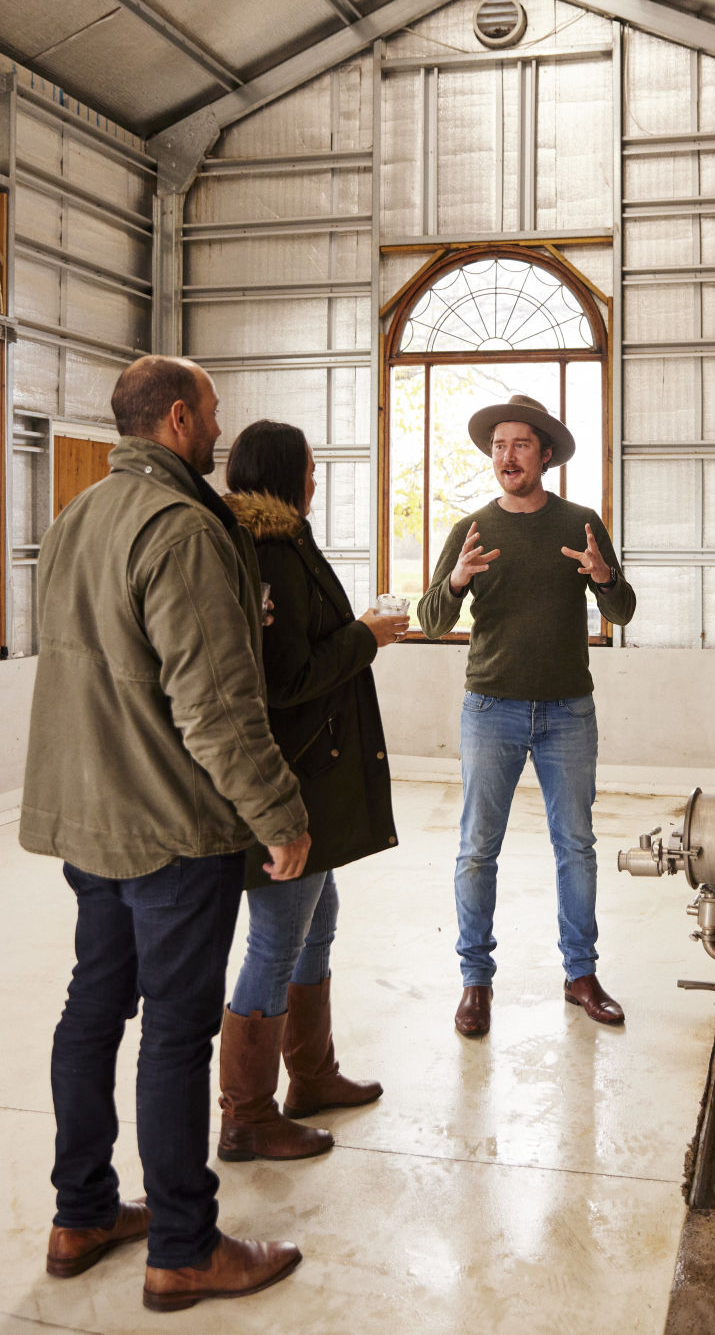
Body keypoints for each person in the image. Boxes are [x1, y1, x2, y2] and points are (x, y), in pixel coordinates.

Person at [19, 355, 311, 1314]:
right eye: (214, 412)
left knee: (92, 1009)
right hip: (170, 828)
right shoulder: (182, 529)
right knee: (177, 1035)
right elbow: (217, 708)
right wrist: (279, 815)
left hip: (87, 817)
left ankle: (81, 1212)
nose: (222, 429)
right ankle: (184, 1246)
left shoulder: (74, 519)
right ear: (179, 418)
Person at [417, 393, 636, 1038]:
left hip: (568, 710)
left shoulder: (581, 523)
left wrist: (601, 577)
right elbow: (432, 622)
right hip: (491, 710)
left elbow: (621, 612)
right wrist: (455, 581)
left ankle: (581, 975)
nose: (505, 456)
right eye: (497, 446)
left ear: (544, 454)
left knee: (576, 847)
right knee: (477, 850)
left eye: (518, 445)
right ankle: (475, 983)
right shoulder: (473, 529)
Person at [218, 419, 403, 1161]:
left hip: (312, 775)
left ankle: (312, 1074)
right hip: (289, 780)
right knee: (276, 938)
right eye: (311, 469)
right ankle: (247, 1113)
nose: (318, 480)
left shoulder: (288, 541)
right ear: (285, 475)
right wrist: (367, 634)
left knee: (317, 914)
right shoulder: (269, 553)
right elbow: (286, 680)